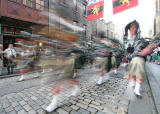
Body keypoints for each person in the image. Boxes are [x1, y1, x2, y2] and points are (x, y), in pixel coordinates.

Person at [124, 20, 158, 98]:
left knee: (138, 65)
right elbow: (127, 52)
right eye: (132, 27)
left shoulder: (141, 39)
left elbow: (147, 48)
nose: (134, 29)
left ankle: (137, 89)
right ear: (129, 29)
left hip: (139, 59)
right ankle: (133, 84)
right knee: (132, 76)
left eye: (135, 27)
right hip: (131, 60)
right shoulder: (128, 41)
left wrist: (149, 49)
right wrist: (126, 56)